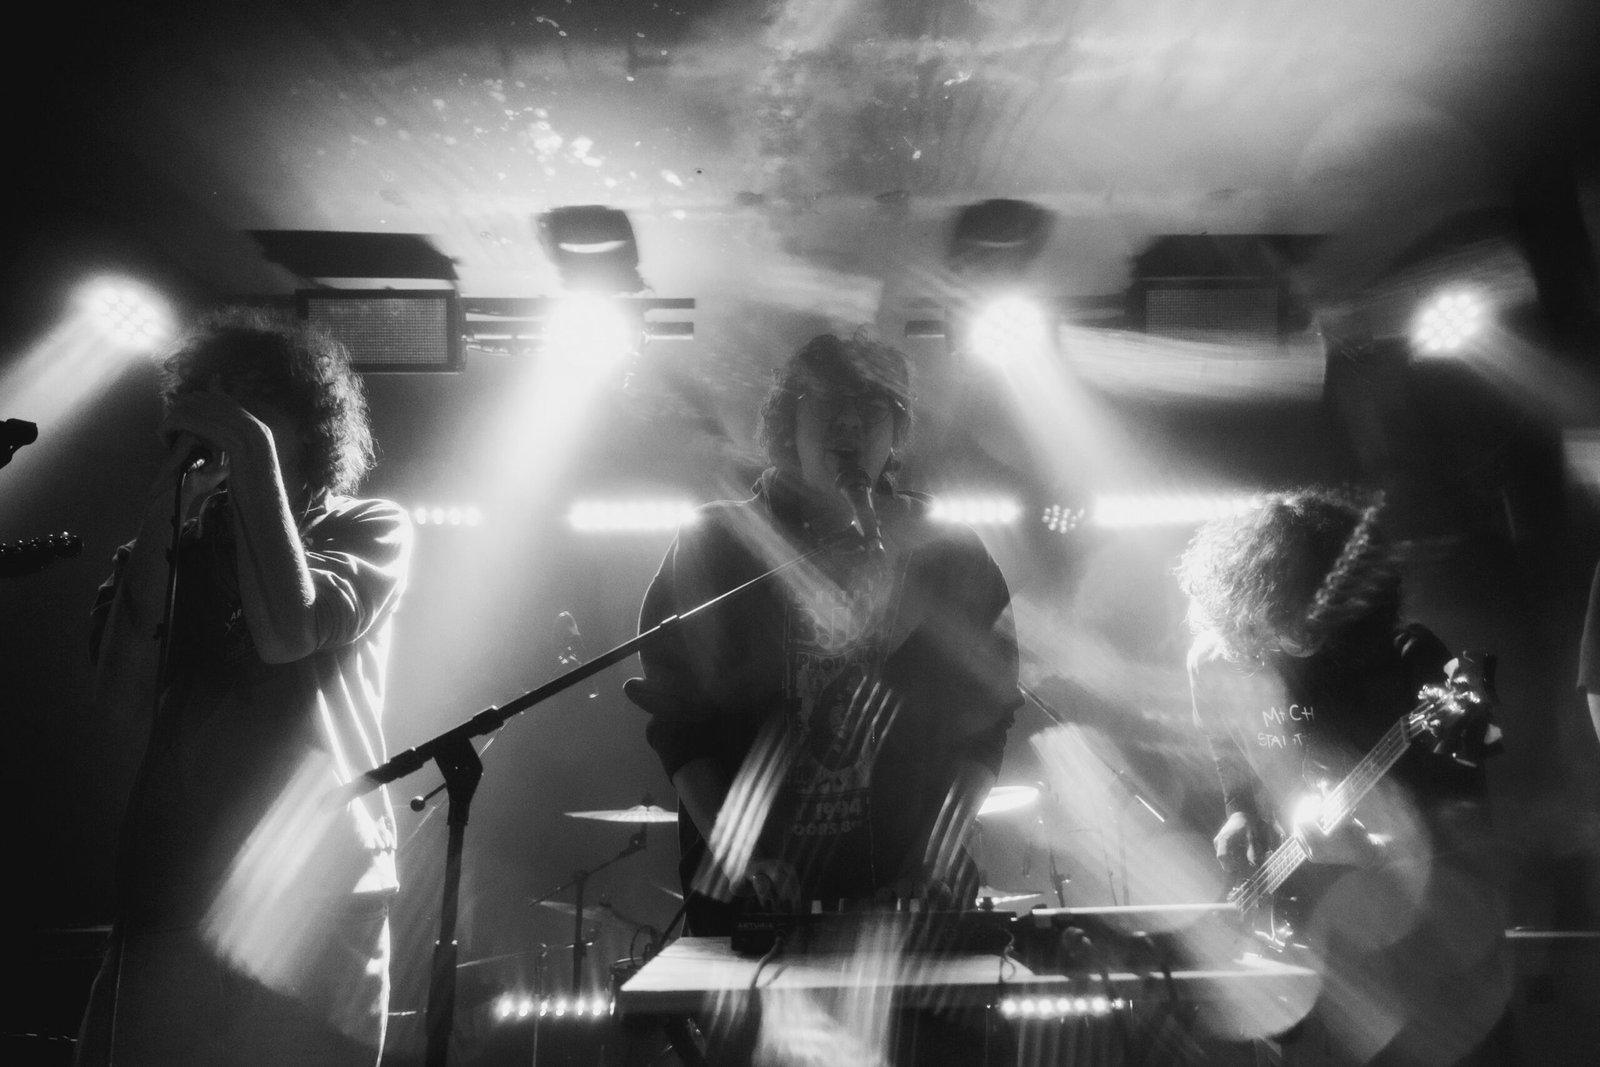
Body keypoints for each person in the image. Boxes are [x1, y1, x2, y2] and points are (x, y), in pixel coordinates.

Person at [76, 309, 412, 1066]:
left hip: (320, 885)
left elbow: (289, 631)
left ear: (309, 425)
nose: (226, 417)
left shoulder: (367, 526)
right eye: (212, 396)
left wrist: (253, 453)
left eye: (254, 399)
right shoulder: (164, 546)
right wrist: (165, 514)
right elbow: (120, 692)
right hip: (175, 882)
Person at [624, 332, 1022, 936]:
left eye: (872, 408)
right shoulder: (717, 546)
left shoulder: (950, 552)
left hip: (910, 907)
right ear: (789, 424)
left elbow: (984, 726)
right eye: (830, 404)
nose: (851, 424)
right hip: (757, 912)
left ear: (897, 430)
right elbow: (681, 727)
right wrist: (743, 860)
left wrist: (935, 858)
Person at [1178, 488, 1509, 1067]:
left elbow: (1467, 812)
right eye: (1289, 612)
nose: (1307, 631)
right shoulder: (1216, 661)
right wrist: (1239, 811)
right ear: (1249, 603)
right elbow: (1228, 747)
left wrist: (1395, 839)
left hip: (1416, 940)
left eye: (1322, 610)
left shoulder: (1406, 660)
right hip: (1295, 924)